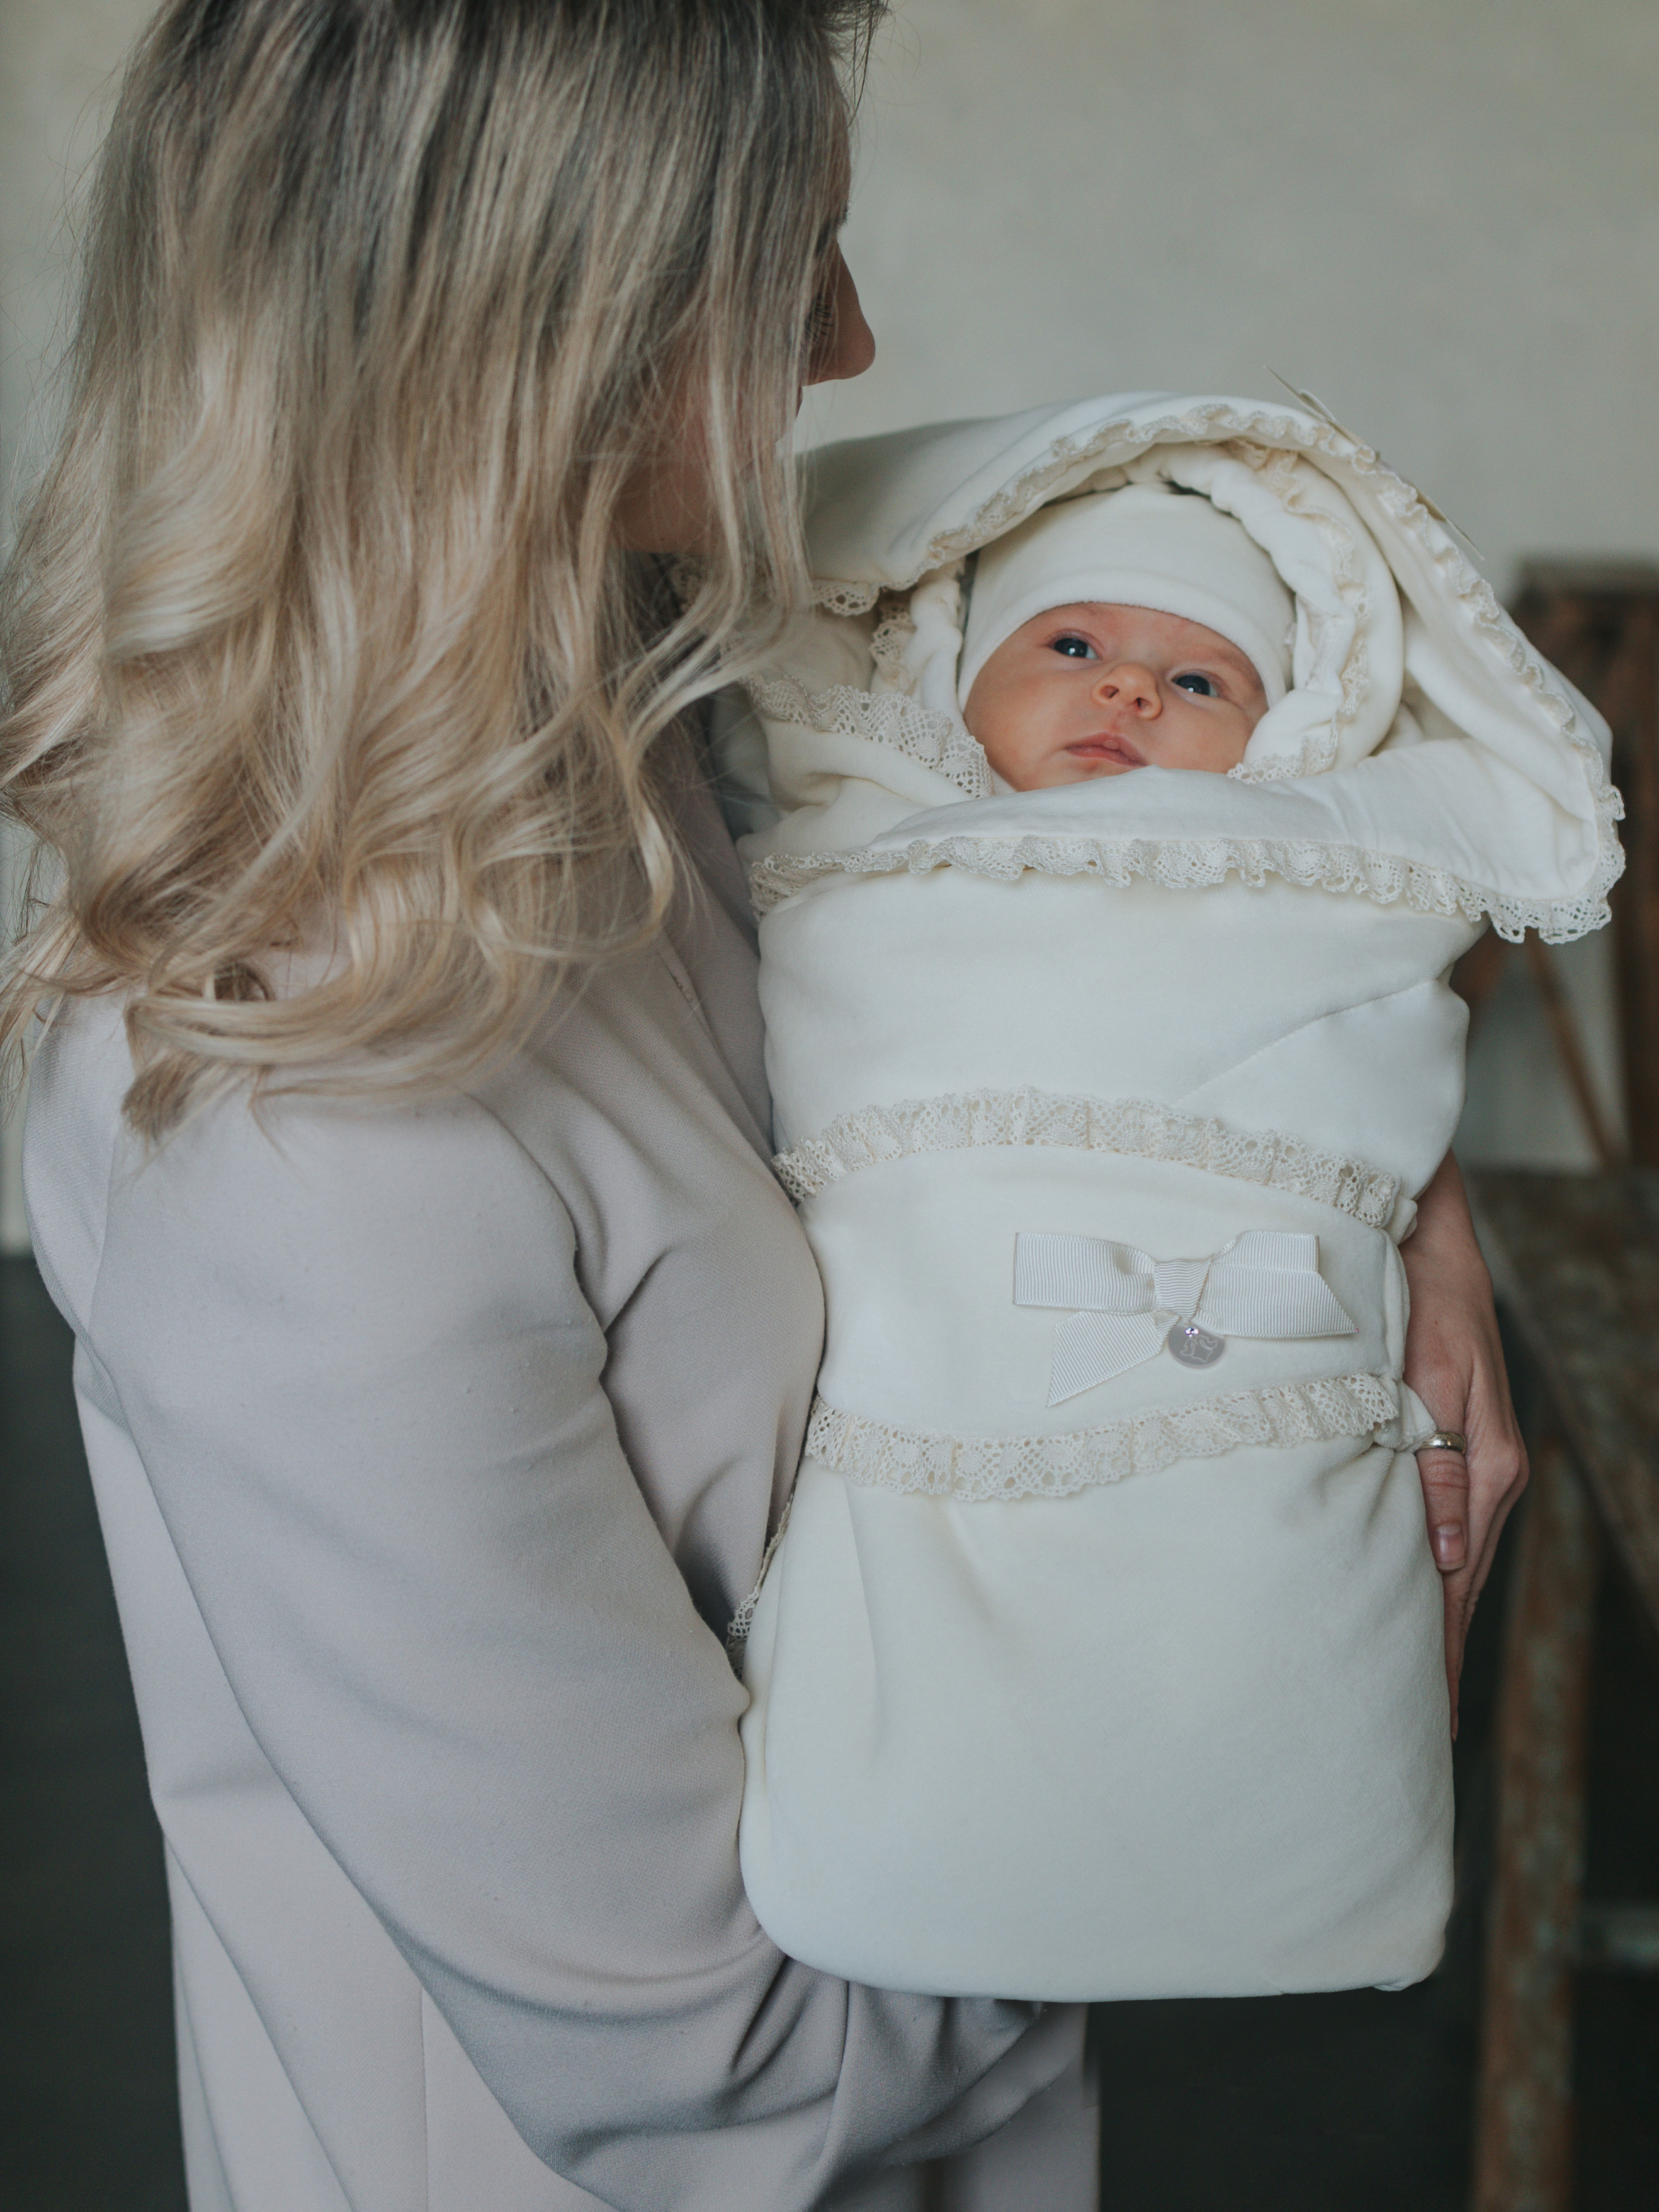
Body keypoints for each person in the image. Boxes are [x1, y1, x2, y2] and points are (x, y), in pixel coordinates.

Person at [0, 0, 1526, 2204]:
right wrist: (1224, 1723)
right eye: (788, 269)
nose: (850, 344)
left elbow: (1132, 918)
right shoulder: (316, 1146)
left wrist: (1399, 1212)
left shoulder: (655, 724)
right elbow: (714, 2065)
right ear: (547, 339)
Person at [723, 424, 1620, 2004]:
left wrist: (1418, 1221)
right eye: (1071, 646)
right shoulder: (858, 853)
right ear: (951, 688)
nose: (1129, 689)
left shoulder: (1310, 874)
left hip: (1264, 1395)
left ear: (1281, 744)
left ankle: (1306, 1838)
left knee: (1259, 1632)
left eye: (1199, 678)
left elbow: (1377, 1039)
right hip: (937, 1378)